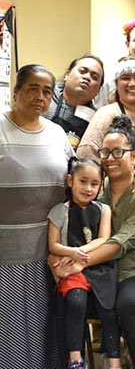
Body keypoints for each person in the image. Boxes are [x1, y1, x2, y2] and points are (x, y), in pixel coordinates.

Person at [52, 115, 135, 369]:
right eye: (105, 152)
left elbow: (120, 242)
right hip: (97, 272)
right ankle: (72, 361)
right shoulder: (95, 192)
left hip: (131, 272)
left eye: (117, 152)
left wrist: (79, 262)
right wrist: (57, 258)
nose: (109, 158)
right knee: (67, 296)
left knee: (130, 302)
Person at [0, 64, 73, 368]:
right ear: (15, 91)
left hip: (50, 253)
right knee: (12, 331)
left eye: (47, 91)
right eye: (32, 88)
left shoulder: (57, 134)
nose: (40, 97)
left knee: (47, 330)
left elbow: (73, 182)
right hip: (7, 254)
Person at [47, 158, 120, 369]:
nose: (88, 188)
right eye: (83, 181)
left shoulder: (103, 209)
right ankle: (75, 359)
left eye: (94, 184)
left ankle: (114, 361)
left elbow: (103, 239)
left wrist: (81, 253)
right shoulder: (58, 211)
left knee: (108, 308)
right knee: (76, 301)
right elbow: (53, 245)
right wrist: (70, 252)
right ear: (70, 181)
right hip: (71, 270)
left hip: (98, 267)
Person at [78, 56, 135, 188]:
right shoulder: (107, 114)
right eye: (125, 78)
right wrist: (105, 186)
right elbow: (86, 153)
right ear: (116, 83)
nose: (132, 84)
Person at [43, 54, 105, 150]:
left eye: (94, 77)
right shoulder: (43, 97)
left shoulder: (96, 120)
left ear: (98, 90)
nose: (87, 77)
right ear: (67, 75)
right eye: (82, 71)